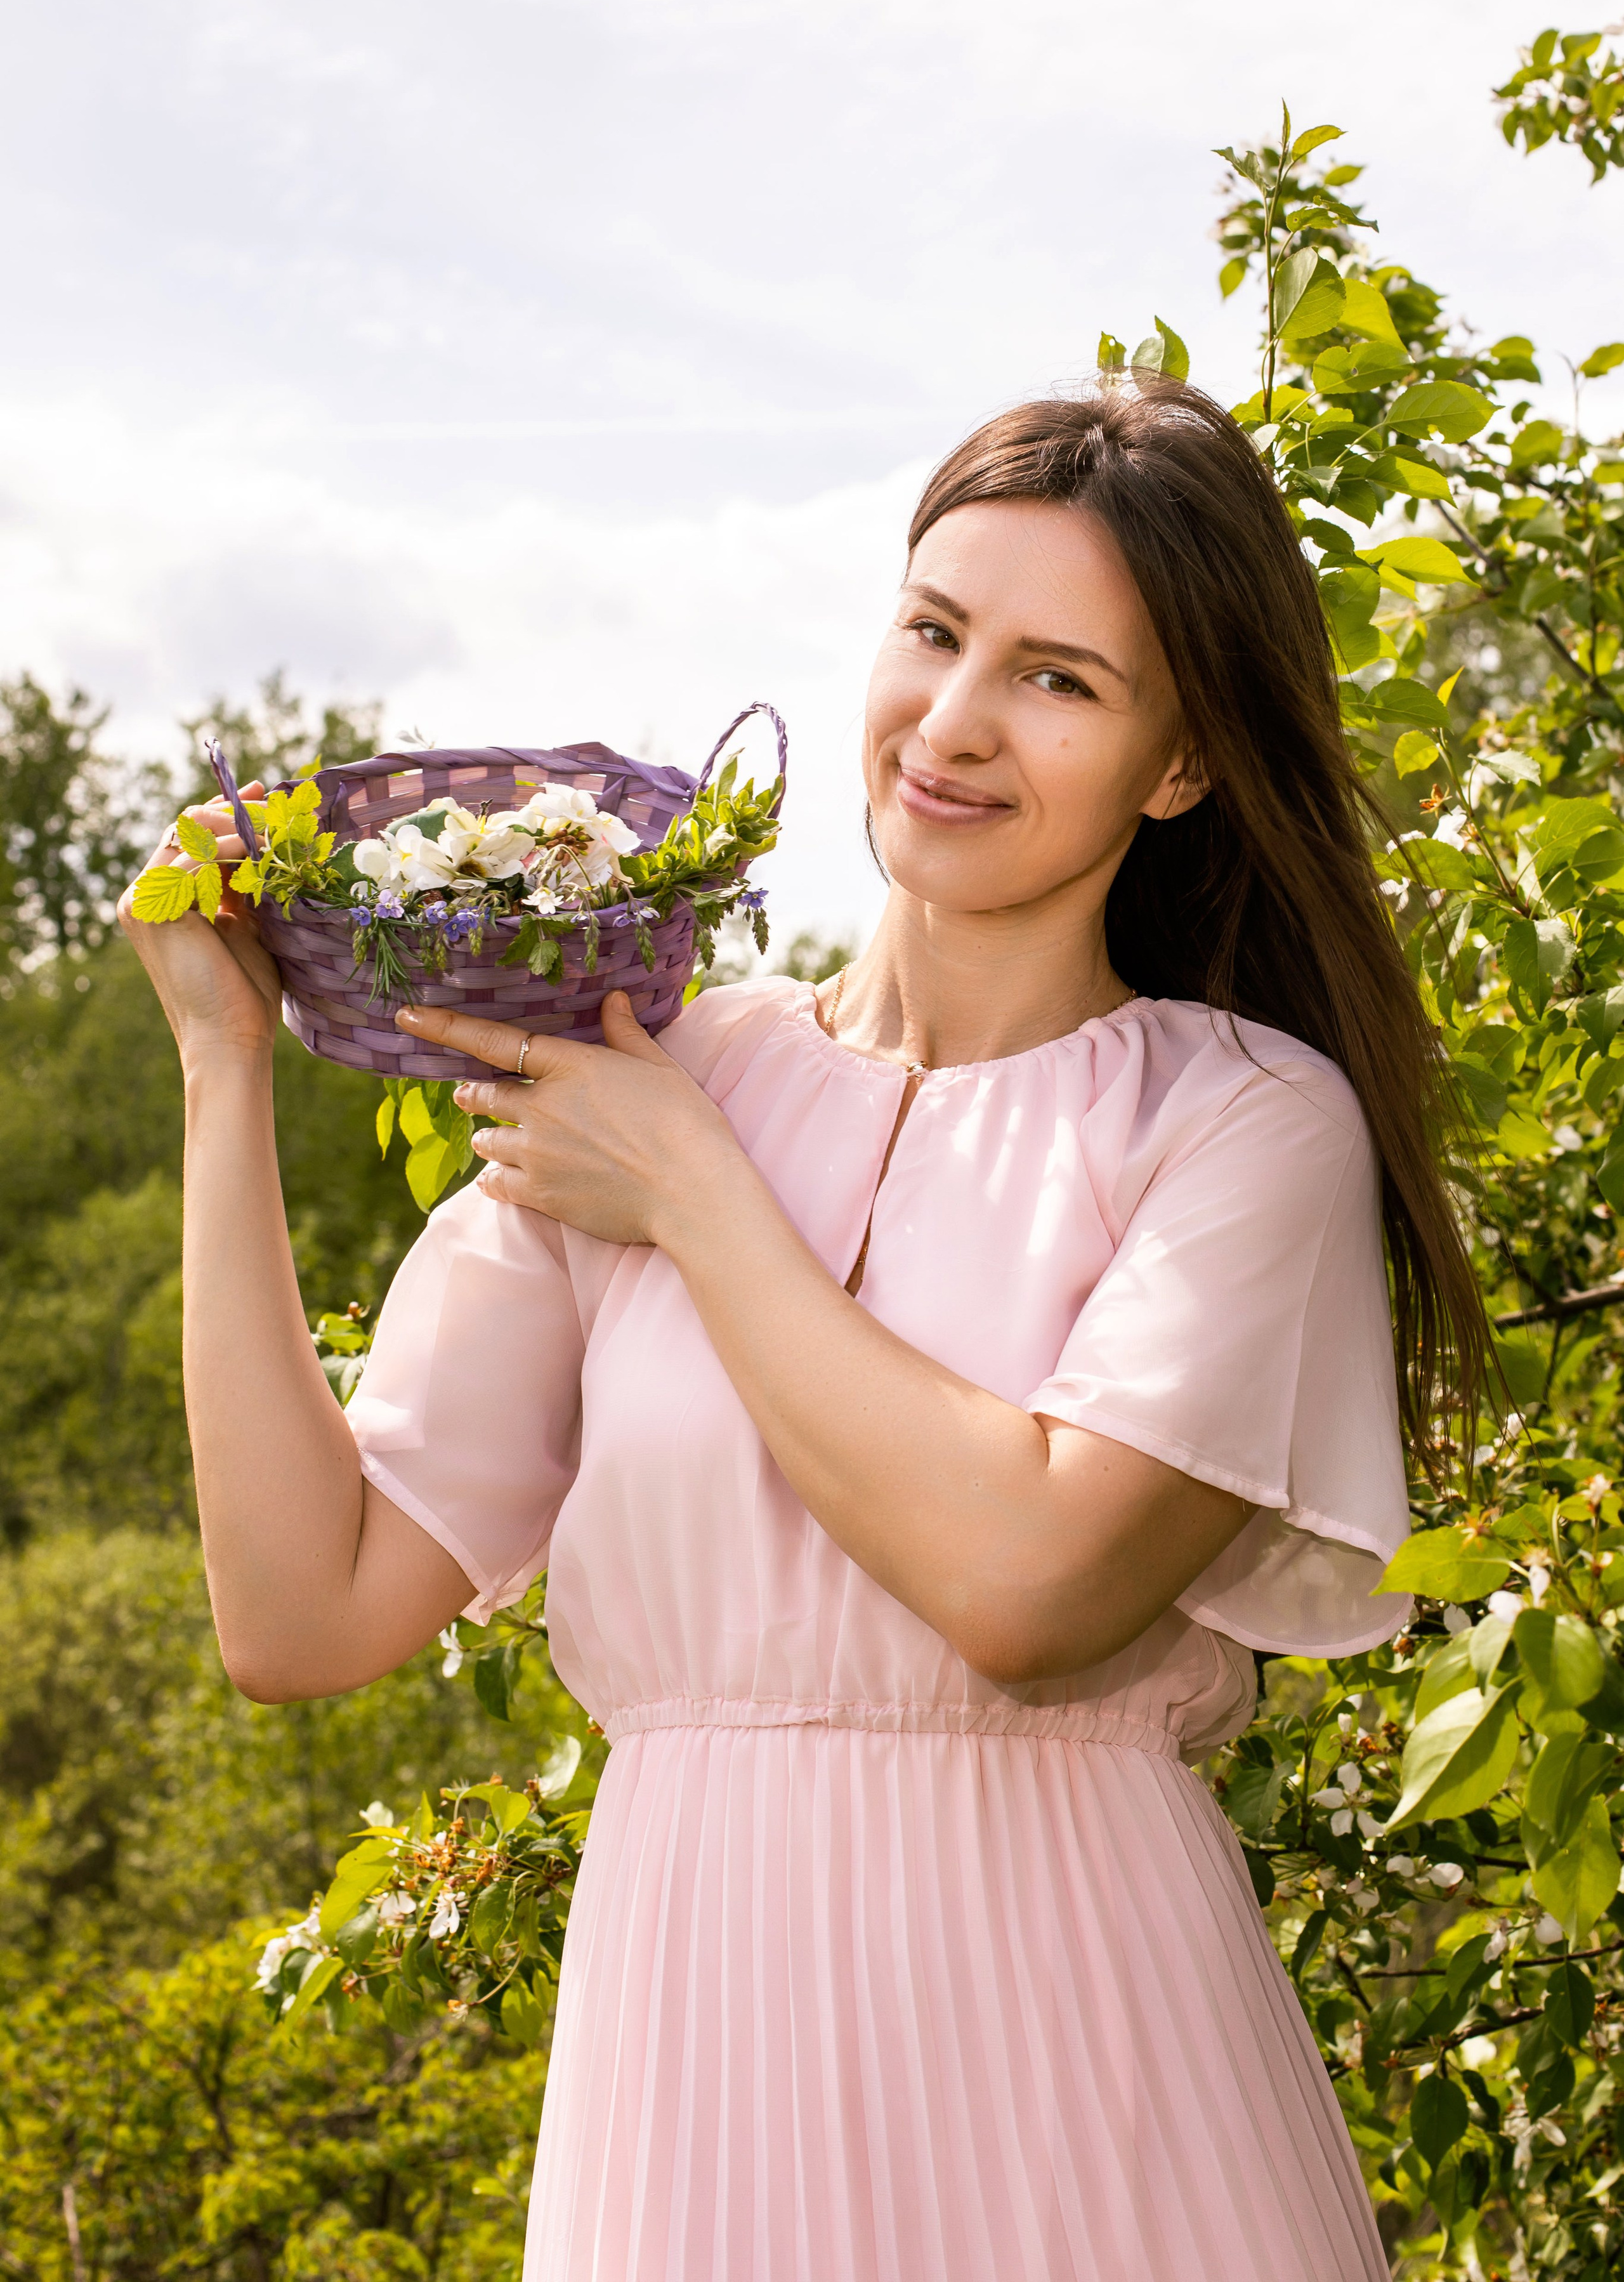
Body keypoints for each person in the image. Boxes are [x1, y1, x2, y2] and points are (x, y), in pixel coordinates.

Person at [122, 375, 1484, 2281]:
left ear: (1180, 765)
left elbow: (1032, 1589)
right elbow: (301, 1612)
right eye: (934, 632)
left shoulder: (1242, 1122)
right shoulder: (660, 1068)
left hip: (1082, 2078)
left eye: (1059, 680)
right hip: (692, 2082)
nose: (955, 720)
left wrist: (699, 1199)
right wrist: (224, 1071)